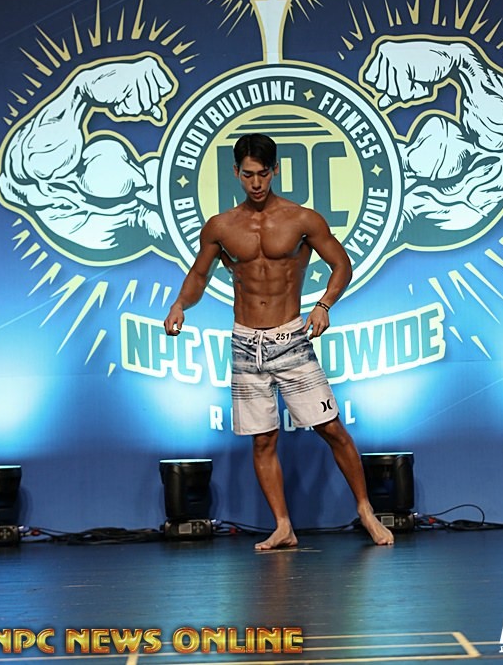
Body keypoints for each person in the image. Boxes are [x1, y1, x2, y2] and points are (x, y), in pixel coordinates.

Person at [164, 133, 394, 549]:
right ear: (236, 173)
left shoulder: (301, 219)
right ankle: (283, 526)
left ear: (275, 170)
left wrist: (323, 305)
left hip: (290, 337)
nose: (255, 183)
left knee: (331, 428)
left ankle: (365, 510)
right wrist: (181, 304)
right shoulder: (220, 227)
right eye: (247, 174)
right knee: (264, 438)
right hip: (245, 342)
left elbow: (341, 264)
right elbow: (199, 275)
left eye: (262, 174)